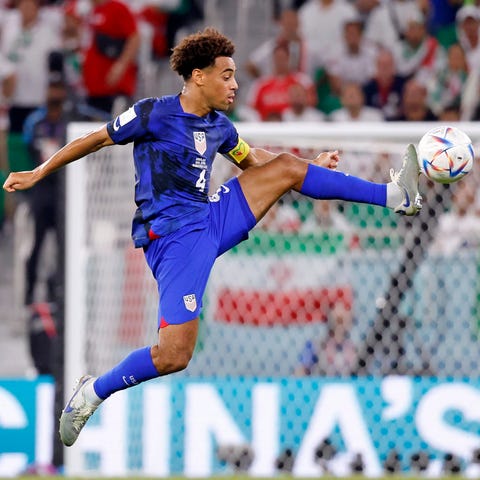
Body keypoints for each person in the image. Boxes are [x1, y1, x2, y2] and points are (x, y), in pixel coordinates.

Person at [3, 27, 422, 448]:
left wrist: (308, 169)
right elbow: (95, 139)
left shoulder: (220, 127)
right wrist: (40, 172)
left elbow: (254, 162)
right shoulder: (154, 114)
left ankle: (395, 195)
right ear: (198, 76)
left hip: (211, 217)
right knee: (174, 355)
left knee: (287, 166)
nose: (235, 84)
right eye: (226, 75)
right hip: (174, 240)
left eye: (235, 75)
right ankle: (92, 392)